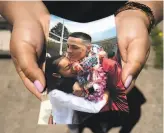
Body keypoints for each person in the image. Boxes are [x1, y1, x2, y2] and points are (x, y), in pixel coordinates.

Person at [0, 1, 162, 133]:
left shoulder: (94, 57)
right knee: (72, 115)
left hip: (118, 37)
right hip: (49, 35)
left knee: (109, 113)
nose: (72, 56)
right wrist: (20, 8)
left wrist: (141, 11)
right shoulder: (65, 73)